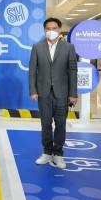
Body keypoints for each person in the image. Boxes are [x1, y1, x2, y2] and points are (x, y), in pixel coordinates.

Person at [28, 18, 78, 169]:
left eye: (54, 28)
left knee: (61, 124)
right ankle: (47, 152)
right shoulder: (37, 47)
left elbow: (72, 71)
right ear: (44, 30)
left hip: (62, 93)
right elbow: (32, 71)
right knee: (45, 124)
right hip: (43, 93)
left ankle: (58, 154)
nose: (51, 31)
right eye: (48, 28)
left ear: (59, 29)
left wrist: (73, 93)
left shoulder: (68, 47)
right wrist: (33, 90)